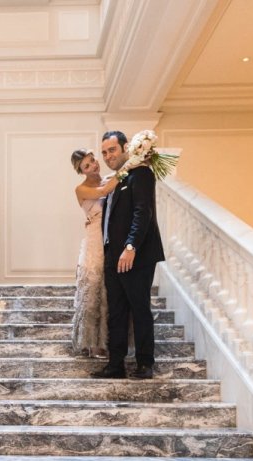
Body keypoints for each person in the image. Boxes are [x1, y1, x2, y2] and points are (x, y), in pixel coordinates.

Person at [94, 131, 165, 379]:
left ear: (125, 148)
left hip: (136, 255)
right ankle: (116, 365)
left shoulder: (141, 173)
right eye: (104, 152)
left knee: (139, 308)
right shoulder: (116, 179)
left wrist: (130, 247)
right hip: (112, 255)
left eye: (112, 150)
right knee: (117, 311)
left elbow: (142, 212)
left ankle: (145, 364)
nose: (107, 156)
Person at [69, 149, 119, 358]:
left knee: (111, 289)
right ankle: (93, 343)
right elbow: (102, 192)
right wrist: (129, 165)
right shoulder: (81, 189)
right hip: (94, 242)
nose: (93, 167)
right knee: (94, 289)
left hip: (111, 239)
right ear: (81, 171)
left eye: (92, 161)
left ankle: (110, 342)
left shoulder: (110, 179)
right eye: (86, 166)